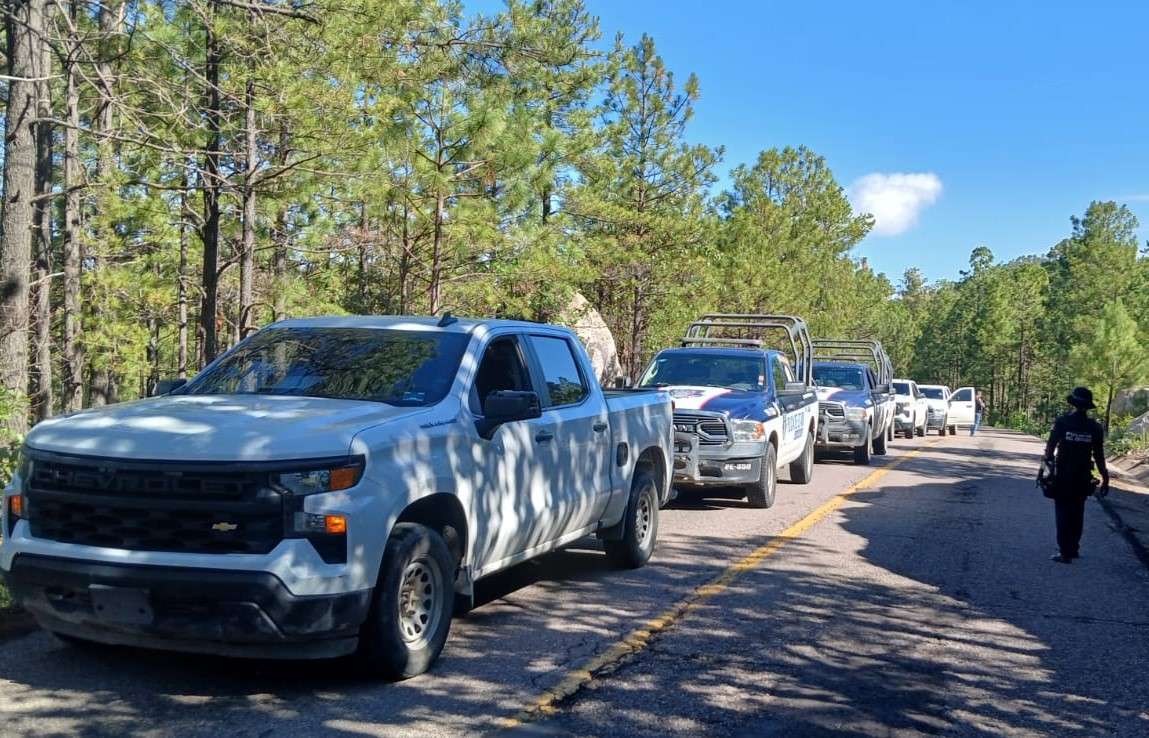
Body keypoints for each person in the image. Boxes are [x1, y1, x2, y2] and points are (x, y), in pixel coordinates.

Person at [1043, 386, 1109, 564]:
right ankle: (1073, 548)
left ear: (1073, 403)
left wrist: (1045, 468)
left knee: (1063, 513)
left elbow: (1050, 447)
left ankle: (1065, 552)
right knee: (1077, 512)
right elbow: (1099, 455)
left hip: (1063, 475)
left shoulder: (1063, 422)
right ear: (1088, 406)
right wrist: (1105, 477)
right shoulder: (1094, 427)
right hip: (1082, 476)